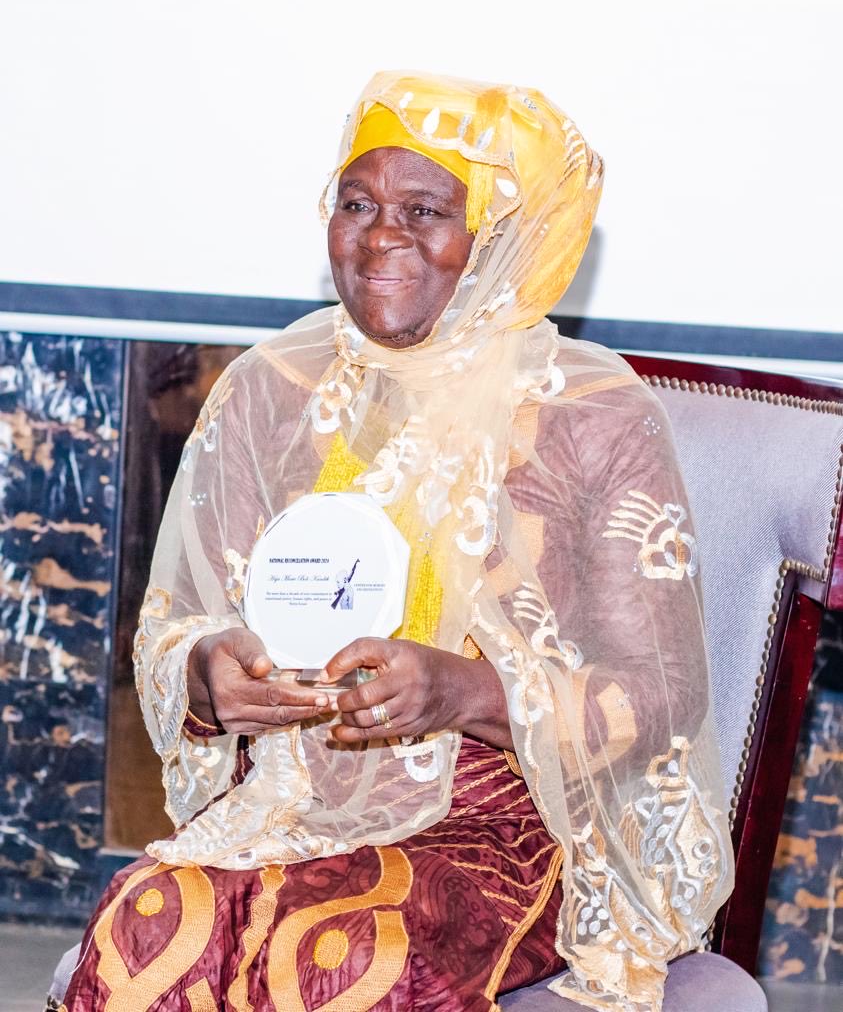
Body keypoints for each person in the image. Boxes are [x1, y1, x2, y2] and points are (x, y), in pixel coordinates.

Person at [61, 71, 733, 1011]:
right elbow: (181, 624)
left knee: (341, 955)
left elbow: (659, 695)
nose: (381, 236)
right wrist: (213, 673)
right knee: (147, 918)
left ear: (499, 238)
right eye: (357, 202)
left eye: (427, 209)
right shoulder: (272, 387)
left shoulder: (590, 412)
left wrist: (462, 689)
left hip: (509, 817)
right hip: (298, 789)